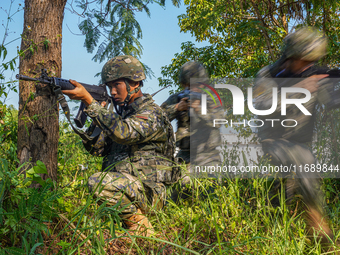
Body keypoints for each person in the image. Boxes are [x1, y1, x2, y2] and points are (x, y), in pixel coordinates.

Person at [62, 55, 179, 237]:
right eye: (110, 87)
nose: (113, 92)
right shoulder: (122, 116)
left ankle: (142, 228)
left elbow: (123, 133)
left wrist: (91, 103)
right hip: (129, 189)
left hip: (149, 192)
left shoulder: (152, 113)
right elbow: (97, 149)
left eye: (117, 85)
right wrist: (95, 116)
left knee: (98, 183)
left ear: (134, 83)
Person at [254, 27, 338, 246]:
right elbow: (260, 104)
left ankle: (310, 234)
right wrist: (298, 89)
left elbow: (333, 101)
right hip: (272, 142)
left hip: (300, 143)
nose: (310, 65)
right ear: (291, 57)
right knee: (292, 176)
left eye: (314, 61)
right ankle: (317, 233)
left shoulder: (315, 75)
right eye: (305, 60)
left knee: (289, 188)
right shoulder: (268, 75)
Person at [161, 61, 222, 200]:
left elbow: (218, 120)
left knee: (210, 195)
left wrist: (199, 109)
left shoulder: (211, 98)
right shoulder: (178, 98)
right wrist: (176, 108)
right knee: (177, 195)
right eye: (187, 85)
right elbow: (157, 117)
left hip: (208, 154)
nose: (191, 88)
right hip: (184, 156)